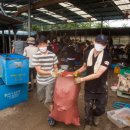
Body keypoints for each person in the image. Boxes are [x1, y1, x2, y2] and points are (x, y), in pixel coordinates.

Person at [74, 34, 111, 130]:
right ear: (94, 42)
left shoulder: (107, 56)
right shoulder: (87, 53)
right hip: (90, 86)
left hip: (101, 86)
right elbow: (85, 66)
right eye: (98, 42)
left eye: (103, 43)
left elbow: (98, 74)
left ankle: (96, 115)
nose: (100, 45)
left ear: (105, 45)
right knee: (88, 106)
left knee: (101, 108)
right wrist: (76, 72)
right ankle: (88, 123)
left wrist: (81, 79)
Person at [32, 35, 58, 126]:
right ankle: (53, 109)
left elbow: (55, 67)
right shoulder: (35, 56)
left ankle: (53, 116)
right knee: (41, 98)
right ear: (38, 46)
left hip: (50, 80)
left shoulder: (52, 54)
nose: (42, 46)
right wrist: (50, 72)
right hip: (40, 81)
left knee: (48, 99)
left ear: (47, 44)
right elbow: (39, 70)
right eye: (40, 44)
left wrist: (56, 73)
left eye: (44, 44)